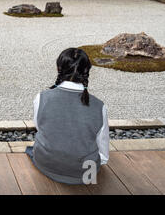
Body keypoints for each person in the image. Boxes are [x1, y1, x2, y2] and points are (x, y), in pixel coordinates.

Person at [26, 48, 109, 185]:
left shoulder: (42, 98)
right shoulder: (99, 106)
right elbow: (103, 154)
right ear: (87, 70)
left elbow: (40, 127)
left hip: (46, 163)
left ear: (58, 68)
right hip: (85, 172)